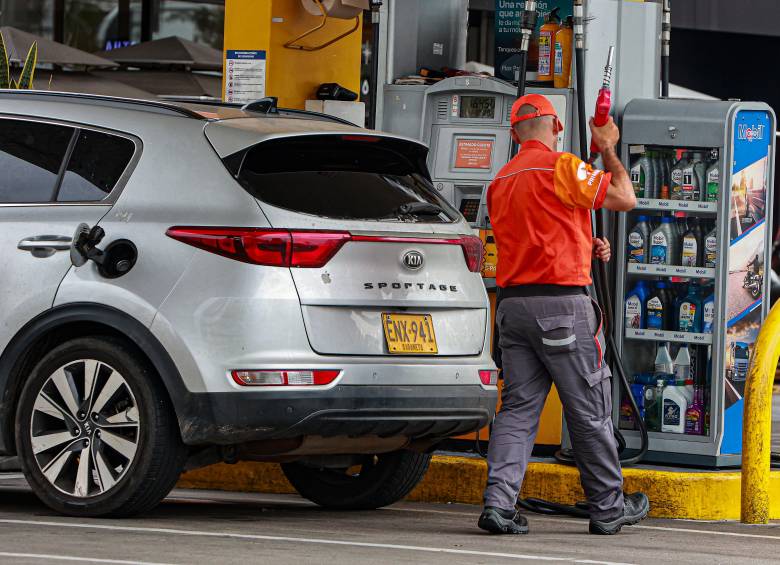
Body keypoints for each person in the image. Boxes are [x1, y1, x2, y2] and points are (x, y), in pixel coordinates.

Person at [477, 93, 648, 536]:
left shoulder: (500, 181)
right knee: (588, 408)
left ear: (514, 134)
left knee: (516, 409)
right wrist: (608, 146)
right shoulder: (563, 166)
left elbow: (534, 235)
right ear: (555, 127)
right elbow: (625, 198)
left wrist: (583, 244)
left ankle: (498, 504)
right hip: (562, 311)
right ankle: (609, 506)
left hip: (513, 309)